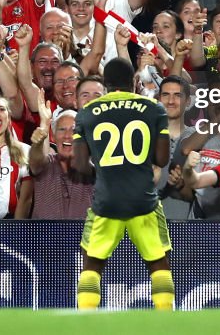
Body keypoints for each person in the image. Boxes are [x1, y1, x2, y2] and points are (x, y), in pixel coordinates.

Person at [71, 58, 173, 310]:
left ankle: (86, 325)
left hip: (106, 200)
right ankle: (166, 323)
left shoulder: (86, 113)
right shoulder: (154, 108)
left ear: (105, 84)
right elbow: (161, 158)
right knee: (158, 262)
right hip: (144, 200)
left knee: (92, 263)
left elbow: (81, 166)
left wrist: (106, 169)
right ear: (134, 82)